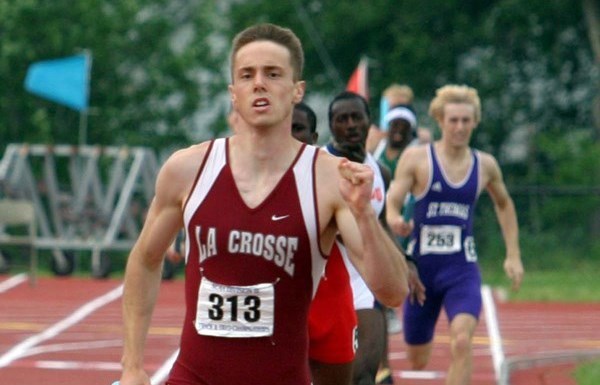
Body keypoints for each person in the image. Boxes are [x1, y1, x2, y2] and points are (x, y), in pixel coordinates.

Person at [117, 23, 409, 385]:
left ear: (296, 90)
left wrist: (365, 215)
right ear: (233, 93)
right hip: (194, 376)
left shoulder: (328, 178)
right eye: (247, 75)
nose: (259, 83)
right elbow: (145, 259)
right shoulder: (187, 169)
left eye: (273, 74)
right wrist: (132, 366)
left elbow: (393, 291)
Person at [386, 84, 524, 385]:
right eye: (453, 120)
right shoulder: (418, 160)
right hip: (420, 274)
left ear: (475, 121)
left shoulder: (484, 164)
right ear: (440, 121)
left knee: (462, 341)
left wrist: (513, 254)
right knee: (417, 358)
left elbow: (504, 203)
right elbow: (393, 200)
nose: (460, 127)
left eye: (466, 120)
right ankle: (420, 338)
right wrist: (396, 220)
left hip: (462, 269)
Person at [319, 90, 396, 385]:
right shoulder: (319, 167)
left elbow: (383, 224)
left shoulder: (381, 173)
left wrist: (406, 262)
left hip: (363, 283)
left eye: (356, 117)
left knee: (365, 374)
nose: (350, 124)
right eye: (342, 119)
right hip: (324, 285)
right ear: (331, 126)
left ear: (368, 123)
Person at [374, 104, 427, 384]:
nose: (397, 131)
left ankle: (395, 302)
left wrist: (406, 220)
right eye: (393, 125)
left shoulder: (416, 153)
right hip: (382, 218)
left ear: (410, 130)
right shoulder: (377, 150)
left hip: (410, 219)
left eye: (402, 127)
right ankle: (389, 306)